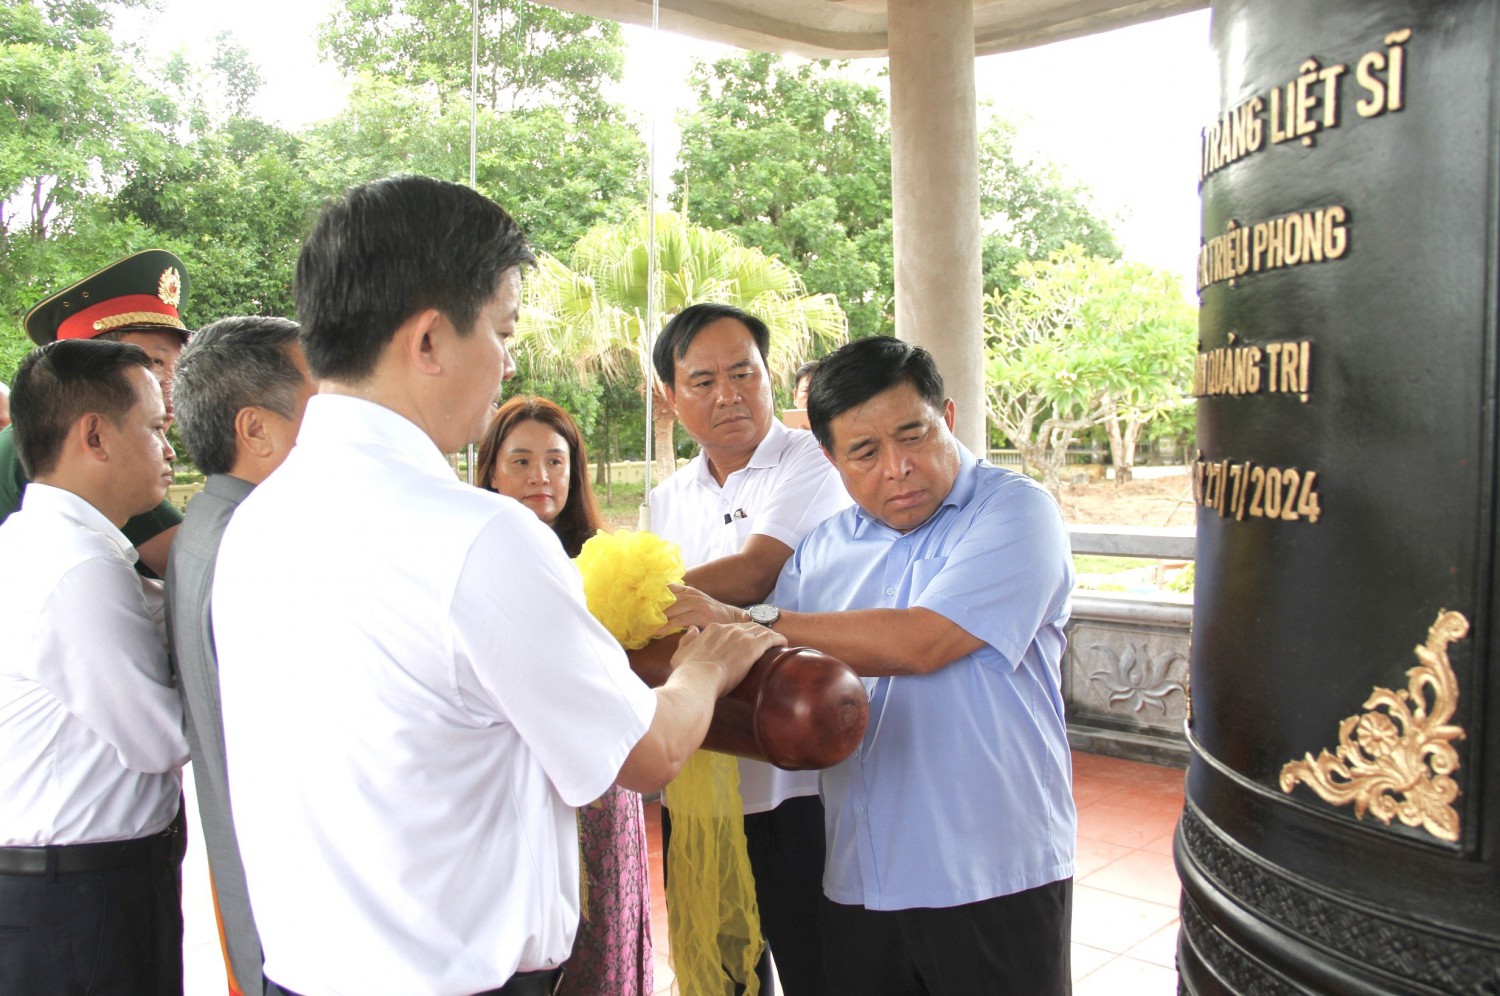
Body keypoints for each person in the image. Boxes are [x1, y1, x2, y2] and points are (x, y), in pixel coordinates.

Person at [211, 174, 783, 996]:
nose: (506, 361)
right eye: (502, 330)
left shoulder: (259, 519)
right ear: (429, 341)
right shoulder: (477, 537)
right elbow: (648, 752)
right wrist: (710, 663)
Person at [666, 336, 1077, 995]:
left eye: (914, 435)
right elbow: (767, 667)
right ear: (831, 458)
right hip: (861, 876)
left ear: (947, 417)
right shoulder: (823, 550)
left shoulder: (1014, 511)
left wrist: (747, 619)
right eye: (864, 452)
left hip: (992, 872)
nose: (898, 468)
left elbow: (924, 640)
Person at [649, 303, 851, 995]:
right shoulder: (666, 499)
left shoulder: (810, 459)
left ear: (768, 375)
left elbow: (754, 571)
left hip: (795, 777)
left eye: (743, 373)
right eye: (702, 381)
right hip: (701, 772)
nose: (728, 395)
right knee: (720, 975)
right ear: (671, 397)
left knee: (819, 967)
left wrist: (629, 600)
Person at [0, 338, 191, 993]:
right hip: (80, 898)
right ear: (94, 436)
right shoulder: (78, 565)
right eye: (155, 428)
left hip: (74, 886)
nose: (169, 449)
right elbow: (161, 739)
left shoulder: (43, 542)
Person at [477, 395, 653, 996]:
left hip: (603, 782)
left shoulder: (608, 558)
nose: (540, 477)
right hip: (518, 782)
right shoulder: (480, 560)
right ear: (491, 471)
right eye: (521, 461)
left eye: (555, 461)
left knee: (604, 933)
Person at [165, 316, 315, 996]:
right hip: (298, 920)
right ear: (255, 431)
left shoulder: (209, 520)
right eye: (324, 407)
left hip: (259, 906)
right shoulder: (262, 548)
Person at [0, 250, 195, 577]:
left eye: (178, 365)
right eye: (154, 363)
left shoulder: (30, 432)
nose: (172, 383)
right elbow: (195, 566)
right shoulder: (72, 447)